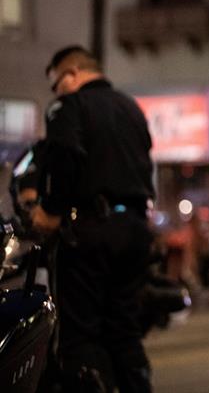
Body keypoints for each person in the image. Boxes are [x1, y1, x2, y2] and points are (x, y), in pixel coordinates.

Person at [32, 45, 155, 392]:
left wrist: (51, 210)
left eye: (56, 83)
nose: (56, 91)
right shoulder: (131, 108)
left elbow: (65, 154)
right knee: (125, 332)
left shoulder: (69, 107)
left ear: (71, 74)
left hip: (90, 231)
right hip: (134, 229)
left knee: (80, 336)